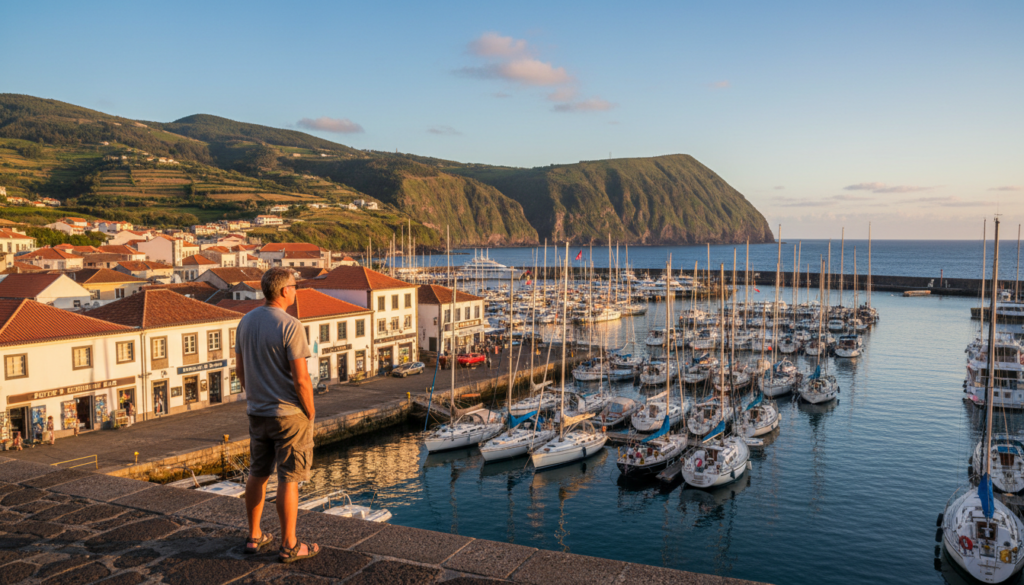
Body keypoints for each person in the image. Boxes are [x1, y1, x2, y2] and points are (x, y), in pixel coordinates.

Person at [236, 268, 319, 563]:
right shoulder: (291, 325)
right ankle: (289, 545)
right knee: (289, 477)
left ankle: (254, 536)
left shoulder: (245, 322)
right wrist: (310, 411)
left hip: (257, 412)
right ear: (284, 290)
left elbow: (240, 372)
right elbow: (301, 380)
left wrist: (255, 396)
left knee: (257, 474)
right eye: (295, 287)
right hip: (287, 414)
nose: (296, 291)